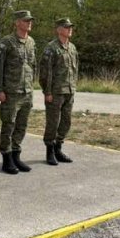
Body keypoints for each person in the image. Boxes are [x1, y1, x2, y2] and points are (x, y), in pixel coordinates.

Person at [0, 10, 37, 174]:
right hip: (11, 92)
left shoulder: (31, 42)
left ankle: (16, 155)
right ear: (17, 22)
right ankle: (6, 158)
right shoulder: (7, 42)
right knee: (9, 125)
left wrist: (31, 86)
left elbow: (33, 66)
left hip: (26, 91)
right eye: (26, 21)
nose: (29, 23)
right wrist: (0, 89)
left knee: (21, 125)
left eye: (30, 21)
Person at [39, 18, 78, 165]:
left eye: (70, 27)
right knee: (53, 123)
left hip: (69, 90)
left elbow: (75, 69)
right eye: (66, 27)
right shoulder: (51, 48)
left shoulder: (72, 48)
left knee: (66, 121)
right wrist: (47, 92)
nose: (70, 29)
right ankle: (49, 151)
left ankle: (58, 148)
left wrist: (73, 86)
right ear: (59, 29)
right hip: (55, 92)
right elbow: (45, 72)